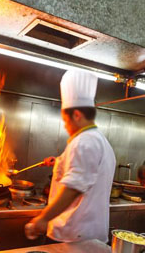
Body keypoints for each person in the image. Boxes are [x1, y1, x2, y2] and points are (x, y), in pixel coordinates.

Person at [25, 69, 116, 243]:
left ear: (77, 115)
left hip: (73, 233)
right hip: (87, 233)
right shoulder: (99, 140)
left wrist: (43, 218)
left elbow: (74, 187)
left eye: (65, 120)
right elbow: (87, 172)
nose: (66, 126)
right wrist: (59, 161)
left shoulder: (84, 142)